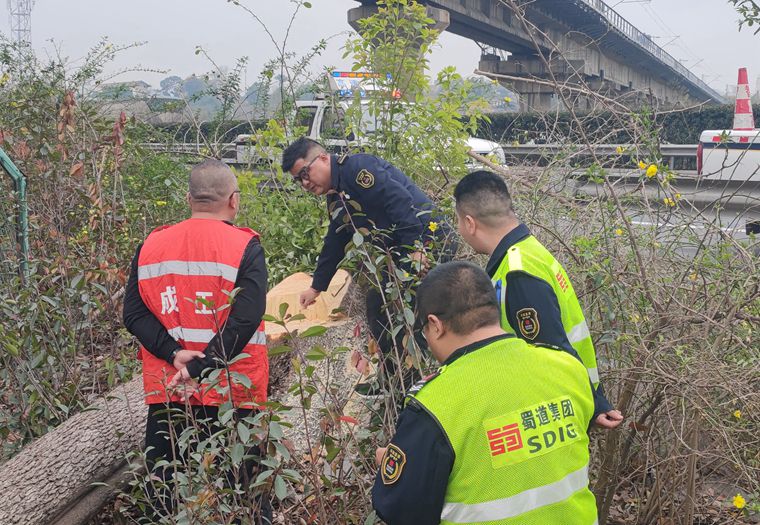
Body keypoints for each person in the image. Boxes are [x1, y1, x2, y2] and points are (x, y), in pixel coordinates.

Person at [372, 261, 599, 524]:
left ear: (435, 325)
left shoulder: (433, 405)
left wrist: (393, 466)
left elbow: (401, 510)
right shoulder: (568, 368)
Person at [123, 159, 270, 522]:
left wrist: (174, 354)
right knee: (246, 493)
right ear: (234, 201)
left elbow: (134, 315)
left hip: (171, 390)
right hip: (235, 390)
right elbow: (246, 318)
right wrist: (205, 367)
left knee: (162, 490)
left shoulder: (152, 245)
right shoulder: (245, 246)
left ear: (189, 199)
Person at [281, 137, 456, 394]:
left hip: (427, 242)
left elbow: (399, 201)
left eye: (305, 173)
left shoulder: (358, 170)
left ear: (322, 158)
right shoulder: (336, 198)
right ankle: (392, 379)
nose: (305, 183)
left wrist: (417, 249)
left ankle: (423, 381)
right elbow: (335, 240)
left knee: (415, 310)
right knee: (378, 305)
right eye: (299, 179)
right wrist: (317, 287)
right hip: (401, 254)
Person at [453, 170, 623, 429]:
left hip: (550, 415)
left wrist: (592, 403)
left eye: (458, 222)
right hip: (564, 403)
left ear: (469, 223)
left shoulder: (518, 272)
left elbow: (549, 353)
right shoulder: (530, 252)